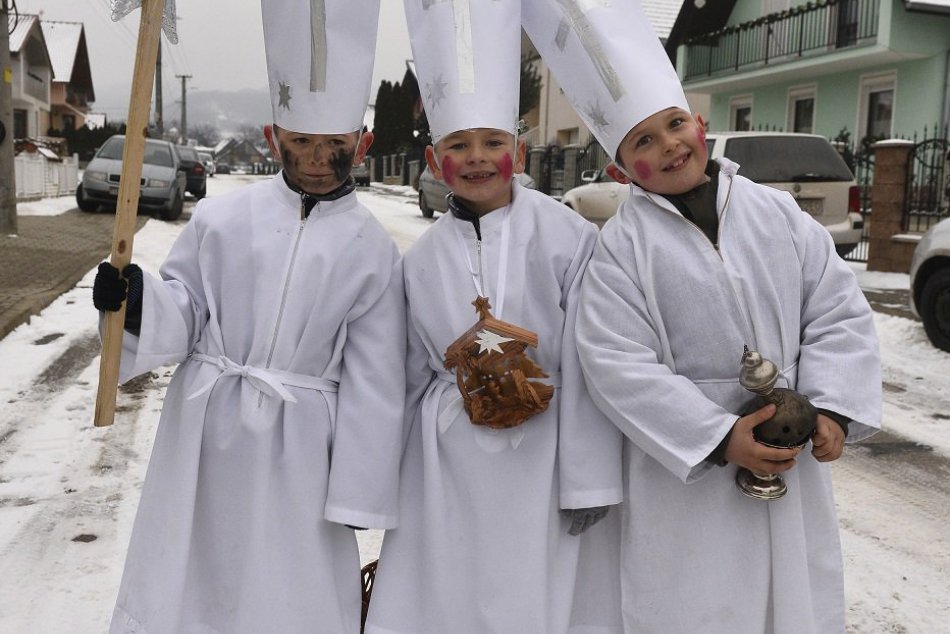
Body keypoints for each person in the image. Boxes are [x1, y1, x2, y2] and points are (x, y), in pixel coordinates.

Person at [523, 1, 882, 631]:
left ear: (698, 120)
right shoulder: (620, 250)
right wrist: (719, 438)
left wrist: (832, 409)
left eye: (672, 126)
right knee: (694, 604)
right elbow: (615, 362)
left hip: (788, 455)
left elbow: (836, 310)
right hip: (686, 480)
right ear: (616, 166)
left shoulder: (776, 214)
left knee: (787, 599)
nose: (667, 147)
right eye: (642, 141)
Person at [96, 1, 406, 631]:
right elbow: (185, 311)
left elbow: (376, 381)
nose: (318, 159)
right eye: (301, 143)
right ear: (273, 138)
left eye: (333, 145)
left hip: (303, 452)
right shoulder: (222, 221)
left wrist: (358, 491)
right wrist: (132, 302)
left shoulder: (374, 252)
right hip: (207, 433)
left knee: (291, 588)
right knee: (199, 570)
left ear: (362, 143)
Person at [363, 1, 623, 632]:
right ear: (433, 162)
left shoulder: (568, 237)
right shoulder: (419, 261)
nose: (477, 158)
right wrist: (381, 481)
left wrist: (588, 479)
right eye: (458, 144)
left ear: (520, 151)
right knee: (449, 596)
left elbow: (595, 359)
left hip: (547, 457)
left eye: (491, 142)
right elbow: (401, 376)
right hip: (447, 466)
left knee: (535, 599)